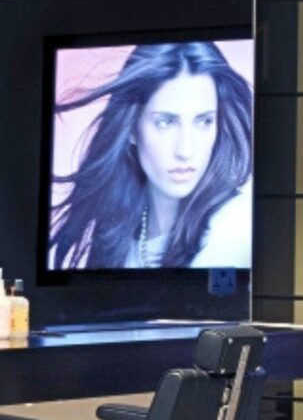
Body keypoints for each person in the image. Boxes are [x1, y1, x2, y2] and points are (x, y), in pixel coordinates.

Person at [47, 41, 253, 270]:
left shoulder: (236, 221)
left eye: (204, 121)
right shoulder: (119, 234)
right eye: (165, 122)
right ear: (132, 129)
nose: (185, 151)